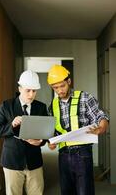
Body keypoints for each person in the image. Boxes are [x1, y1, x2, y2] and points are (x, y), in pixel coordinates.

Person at [47, 64, 109, 195]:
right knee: (66, 191)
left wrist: (102, 126)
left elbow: (100, 115)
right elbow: (54, 130)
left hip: (82, 154)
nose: (59, 91)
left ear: (69, 81)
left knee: (84, 191)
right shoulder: (53, 105)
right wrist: (51, 142)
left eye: (62, 86)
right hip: (63, 154)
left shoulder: (85, 98)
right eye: (55, 88)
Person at [0, 70, 48, 195]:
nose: (31, 94)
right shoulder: (7, 106)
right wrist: (11, 125)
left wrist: (41, 142)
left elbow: (45, 134)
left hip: (34, 162)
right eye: (28, 90)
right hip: (12, 162)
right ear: (20, 88)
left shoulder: (41, 107)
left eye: (34, 91)